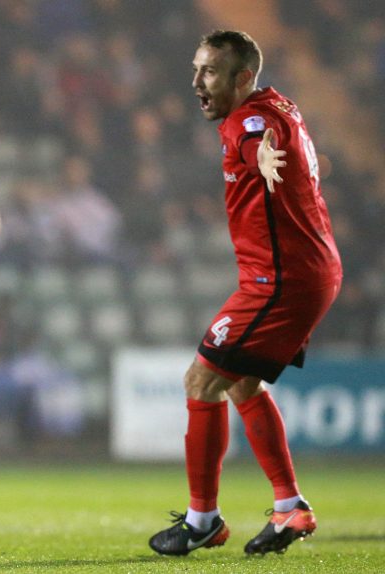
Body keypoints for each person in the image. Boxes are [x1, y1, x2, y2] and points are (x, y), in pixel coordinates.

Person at [148, 30, 342, 556]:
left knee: (201, 380)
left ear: (243, 78)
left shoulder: (248, 122)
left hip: (281, 279)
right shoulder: (277, 103)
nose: (196, 83)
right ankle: (289, 508)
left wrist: (261, 157)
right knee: (242, 384)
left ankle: (202, 520)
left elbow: (259, 140)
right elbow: (269, 130)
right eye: (195, 70)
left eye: (209, 72)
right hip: (306, 270)